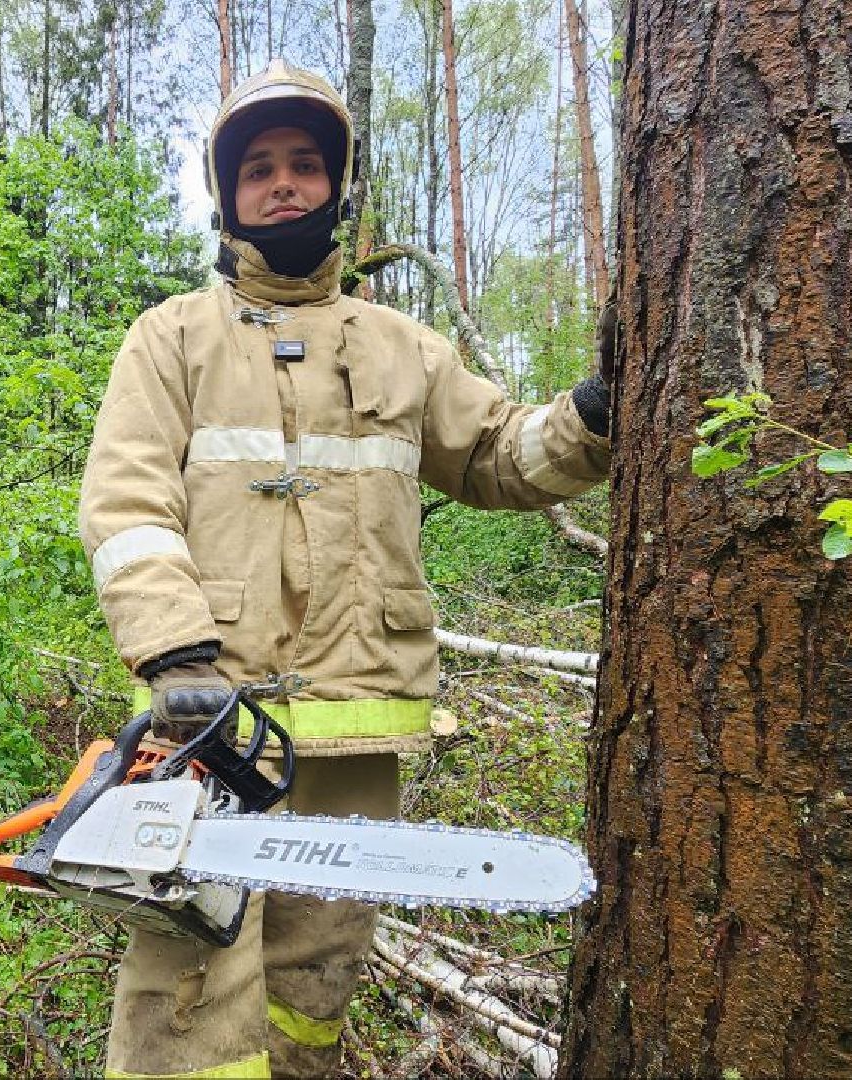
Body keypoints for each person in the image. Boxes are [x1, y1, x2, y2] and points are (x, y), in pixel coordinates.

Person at [77, 60, 612, 1079]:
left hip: (358, 724)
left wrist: (592, 415)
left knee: (317, 969)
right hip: (210, 721)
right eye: (259, 168)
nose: (283, 183)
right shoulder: (171, 339)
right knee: (187, 970)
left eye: (304, 164)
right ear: (228, 193)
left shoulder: (406, 348)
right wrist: (176, 654)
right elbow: (125, 504)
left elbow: (498, 457)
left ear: (336, 185)